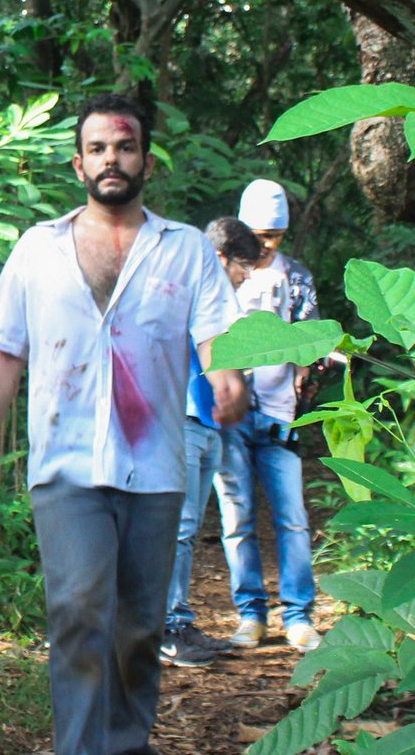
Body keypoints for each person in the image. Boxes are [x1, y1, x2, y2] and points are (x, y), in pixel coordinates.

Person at [0, 94, 246, 755]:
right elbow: (6, 356)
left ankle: (125, 740)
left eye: (123, 147)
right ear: (77, 163)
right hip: (66, 467)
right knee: (80, 611)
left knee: (140, 624)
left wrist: (229, 383)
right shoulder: (38, 250)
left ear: (146, 160)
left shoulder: (187, 254)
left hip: (153, 467)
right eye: (97, 149)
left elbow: (217, 346)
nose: (111, 160)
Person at [216, 179, 324, 652]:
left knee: (293, 516)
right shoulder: (218, 274)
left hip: (281, 412)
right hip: (230, 412)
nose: (264, 244)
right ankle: (251, 615)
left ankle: (299, 614)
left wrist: (310, 370)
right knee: (236, 517)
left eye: (274, 235)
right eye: (257, 233)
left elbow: (310, 337)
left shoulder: (295, 277)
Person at [158, 217, 263, 669]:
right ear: (220, 258)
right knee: (175, 528)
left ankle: (179, 620)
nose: (244, 276)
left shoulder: (218, 301)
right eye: (242, 265)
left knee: (188, 530)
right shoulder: (182, 289)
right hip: (179, 418)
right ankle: (161, 627)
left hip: (206, 421)